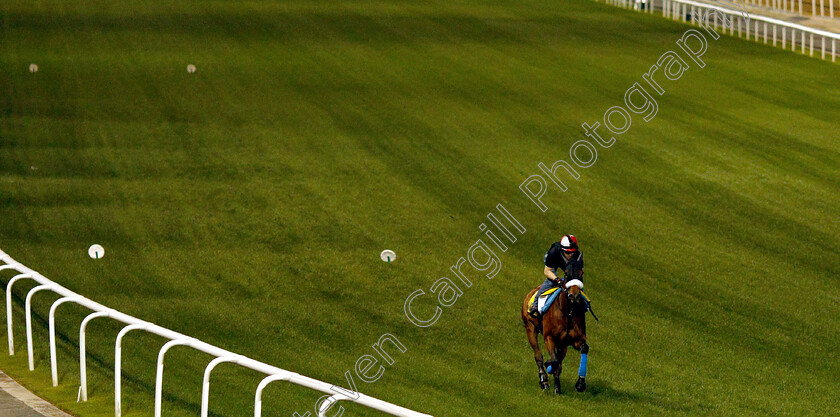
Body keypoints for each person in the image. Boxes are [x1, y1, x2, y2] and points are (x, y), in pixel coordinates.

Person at [528, 234, 584, 317]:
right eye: (568, 252)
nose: (571, 255)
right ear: (562, 250)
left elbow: (579, 273)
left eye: (573, 252)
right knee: (550, 282)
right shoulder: (553, 253)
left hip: (568, 265)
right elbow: (547, 271)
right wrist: (557, 280)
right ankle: (535, 304)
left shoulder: (577, 255)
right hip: (553, 263)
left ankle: (585, 305)